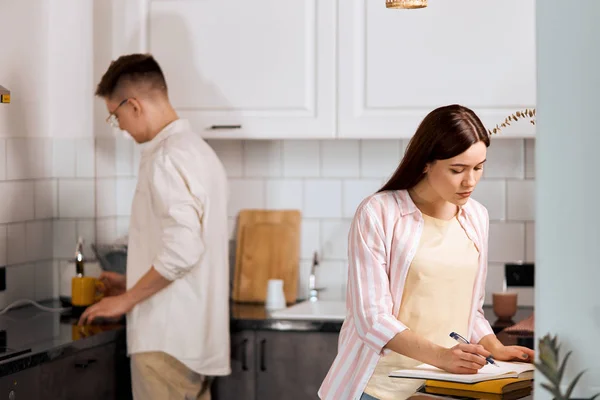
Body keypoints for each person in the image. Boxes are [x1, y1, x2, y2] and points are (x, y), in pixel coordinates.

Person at [318, 104, 535, 400]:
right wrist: (443, 357)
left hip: (445, 387)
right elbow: (372, 318)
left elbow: (467, 307)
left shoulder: (476, 216)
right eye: (457, 170)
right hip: (382, 388)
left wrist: (493, 347)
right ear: (425, 163)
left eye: (478, 167)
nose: (469, 181)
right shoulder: (379, 213)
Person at [78, 53, 230, 400]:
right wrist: (130, 280)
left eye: (115, 117)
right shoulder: (199, 152)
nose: (122, 129)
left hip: (166, 343)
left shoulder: (166, 157)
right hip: (195, 343)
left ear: (133, 105)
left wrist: (127, 299)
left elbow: (183, 249)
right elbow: (189, 245)